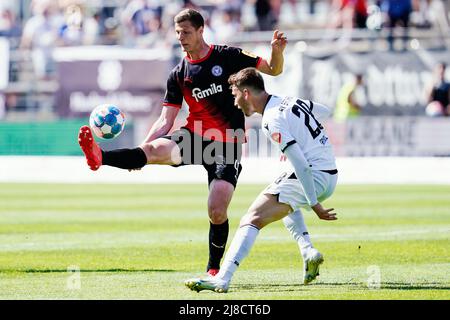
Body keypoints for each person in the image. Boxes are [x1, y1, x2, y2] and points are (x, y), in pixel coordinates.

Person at [78, 8, 288, 277]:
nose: (181, 37)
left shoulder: (229, 56)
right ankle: (99, 156)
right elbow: (166, 121)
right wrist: (144, 151)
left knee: (217, 209)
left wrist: (277, 51)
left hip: (226, 145)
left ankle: (213, 268)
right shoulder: (179, 74)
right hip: (194, 136)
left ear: (201, 30)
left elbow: (273, 69)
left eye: (186, 32)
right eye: (178, 33)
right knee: (154, 150)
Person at [185, 67, 338, 293]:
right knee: (283, 198)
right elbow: (323, 111)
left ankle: (222, 279)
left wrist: (315, 205)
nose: (235, 103)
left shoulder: (271, 119)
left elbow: (302, 166)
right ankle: (308, 250)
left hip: (313, 174)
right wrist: (300, 137)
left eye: (236, 96)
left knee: (251, 218)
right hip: (329, 173)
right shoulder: (287, 100)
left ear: (246, 93)